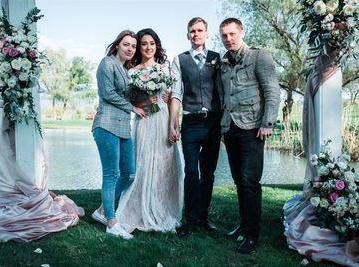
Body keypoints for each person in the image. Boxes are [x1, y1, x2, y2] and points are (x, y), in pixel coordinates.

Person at [219, 18, 280, 253]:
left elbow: (272, 91)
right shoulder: (223, 63)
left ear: (242, 32)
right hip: (230, 129)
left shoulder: (259, 56)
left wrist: (268, 123)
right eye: (224, 35)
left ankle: (252, 235)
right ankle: (244, 226)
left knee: (250, 181)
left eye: (232, 34)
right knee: (238, 181)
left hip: (253, 128)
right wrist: (223, 128)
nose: (228, 39)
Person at [116, 28, 183, 233]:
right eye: (144, 44)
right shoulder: (132, 71)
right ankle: (137, 207)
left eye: (152, 43)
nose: (148, 47)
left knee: (164, 165)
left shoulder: (164, 70)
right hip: (144, 120)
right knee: (142, 163)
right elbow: (130, 100)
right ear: (139, 47)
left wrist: (174, 125)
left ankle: (163, 208)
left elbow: (172, 98)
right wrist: (147, 99)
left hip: (162, 120)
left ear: (157, 46)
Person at [91, 30, 153, 240]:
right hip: (106, 125)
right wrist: (133, 109)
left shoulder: (127, 71)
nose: (130, 49)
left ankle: (101, 210)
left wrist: (149, 98)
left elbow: (132, 98)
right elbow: (107, 94)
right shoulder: (107, 64)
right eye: (126, 44)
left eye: (133, 46)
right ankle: (111, 222)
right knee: (112, 174)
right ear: (117, 45)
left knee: (129, 174)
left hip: (123, 128)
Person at [169, 17, 222, 237]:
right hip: (190, 122)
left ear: (207, 34)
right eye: (192, 31)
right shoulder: (179, 59)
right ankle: (190, 219)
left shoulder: (217, 59)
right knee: (191, 171)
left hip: (213, 122)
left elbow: (223, 89)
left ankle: (203, 215)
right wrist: (173, 123)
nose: (196, 34)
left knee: (208, 173)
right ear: (187, 35)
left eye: (200, 30)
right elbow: (175, 93)